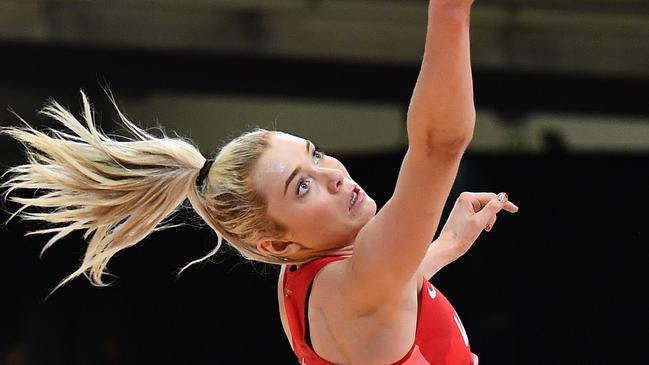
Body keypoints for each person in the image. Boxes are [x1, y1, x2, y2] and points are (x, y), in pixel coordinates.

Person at [1, 0, 519, 364]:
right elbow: (436, 146)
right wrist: (449, 12)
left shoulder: (310, 280)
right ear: (275, 242)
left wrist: (447, 244)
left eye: (315, 155)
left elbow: (389, 294)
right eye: (301, 187)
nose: (332, 175)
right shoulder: (355, 286)